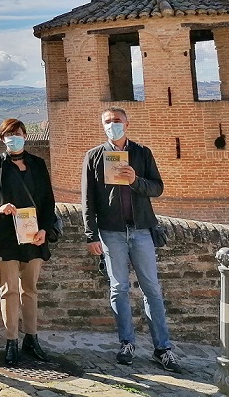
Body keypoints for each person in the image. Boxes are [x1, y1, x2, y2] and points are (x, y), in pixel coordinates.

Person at [82, 107, 180, 373]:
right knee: (119, 289)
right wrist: (91, 235)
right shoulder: (93, 157)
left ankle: (163, 348)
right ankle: (127, 343)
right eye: (107, 121)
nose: (112, 125)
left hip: (141, 230)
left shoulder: (142, 153)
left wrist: (135, 180)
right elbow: (88, 200)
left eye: (117, 121)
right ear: (102, 125)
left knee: (152, 289)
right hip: (111, 232)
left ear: (127, 123)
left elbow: (157, 188)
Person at [0, 117, 56, 366]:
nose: (14, 137)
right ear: (2, 138)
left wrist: (45, 229)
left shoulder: (38, 164)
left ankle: (31, 339)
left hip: (32, 236)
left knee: (29, 290)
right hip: (3, 237)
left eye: (18, 133)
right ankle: (11, 340)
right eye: (9, 134)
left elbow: (47, 202)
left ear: (25, 136)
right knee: (8, 291)